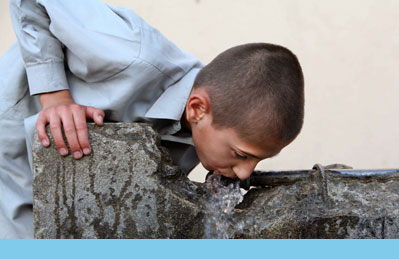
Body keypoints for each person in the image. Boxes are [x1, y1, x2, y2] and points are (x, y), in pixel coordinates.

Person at [0, 0, 304, 238]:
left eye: (257, 161)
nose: (244, 172)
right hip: (10, 144)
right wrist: (55, 97)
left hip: (54, 173)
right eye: (241, 155)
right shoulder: (128, 52)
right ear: (197, 109)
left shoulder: (200, 128)